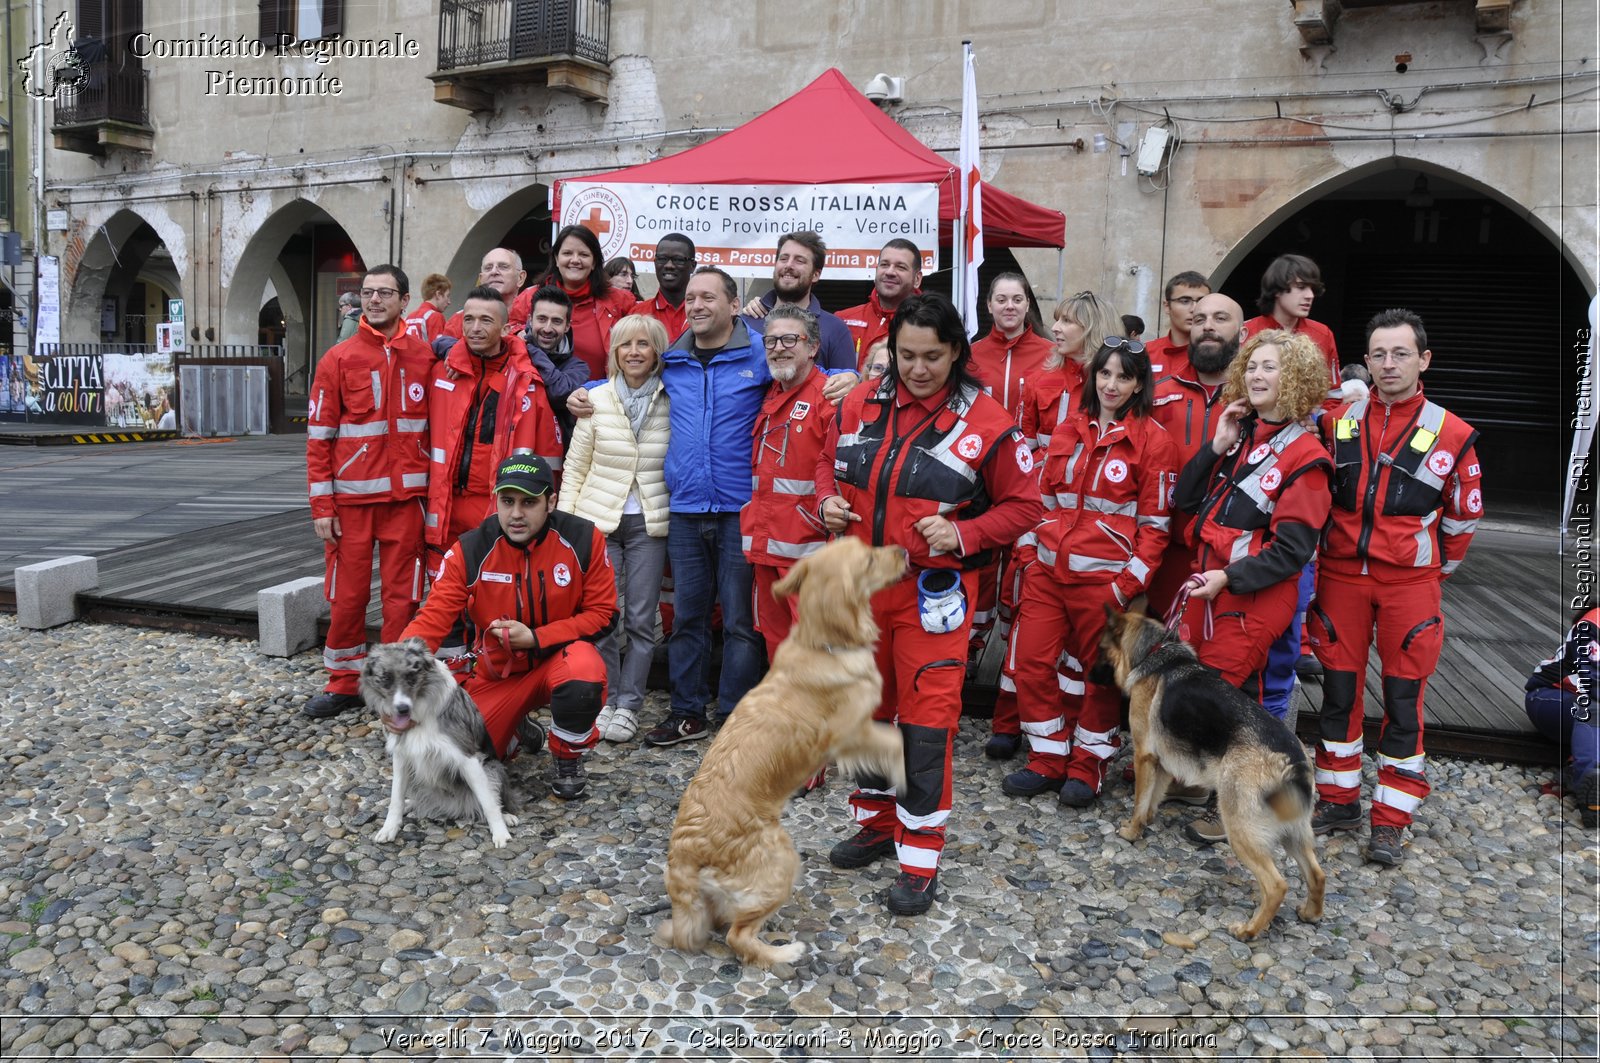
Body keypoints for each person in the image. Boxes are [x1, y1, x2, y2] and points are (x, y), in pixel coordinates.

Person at [816, 292, 1042, 916]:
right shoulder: (860, 401)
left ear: (957, 353)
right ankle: (875, 823)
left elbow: (1026, 506)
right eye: (905, 355)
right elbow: (826, 469)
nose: (917, 368)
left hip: (930, 597)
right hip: (862, 590)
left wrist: (967, 534)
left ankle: (920, 859)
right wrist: (826, 507)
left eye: (932, 357)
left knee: (925, 723)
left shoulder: (990, 423)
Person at [567, 268, 859, 748]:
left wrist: (844, 375)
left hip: (739, 509)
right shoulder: (673, 359)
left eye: (708, 297)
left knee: (742, 621)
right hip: (684, 508)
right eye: (691, 298)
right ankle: (687, 712)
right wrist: (584, 392)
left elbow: (804, 376)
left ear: (732, 303)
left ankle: (733, 715)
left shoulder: (759, 354)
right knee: (688, 618)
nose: (697, 304)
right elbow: (629, 376)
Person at [1309, 307, 1483, 867]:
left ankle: (1391, 819)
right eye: (1379, 354)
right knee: (1338, 695)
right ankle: (1337, 800)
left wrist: (1430, 568)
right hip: (1340, 578)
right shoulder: (1336, 421)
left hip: (1411, 584)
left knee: (1404, 704)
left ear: (1423, 359)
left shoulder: (1451, 432)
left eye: (1400, 353)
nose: (1388, 364)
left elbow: (1462, 519)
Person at [1000, 336, 1177, 808]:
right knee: (1032, 666)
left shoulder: (1154, 442)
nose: (1111, 384)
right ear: (1092, 376)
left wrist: (1124, 587)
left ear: (1139, 384)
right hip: (1045, 574)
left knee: (1099, 679)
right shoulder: (1067, 429)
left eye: (1123, 376)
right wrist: (1027, 554)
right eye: (1104, 373)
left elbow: (1155, 529)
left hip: (1104, 586)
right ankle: (1047, 757)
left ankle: (1087, 765)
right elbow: (1038, 499)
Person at [1171, 331, 1333, 844]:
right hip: (1219, 592)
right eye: (1254, 366)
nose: (1259, 376)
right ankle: (1215, 789)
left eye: (1273, 368)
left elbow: (1292, 552)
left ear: (1298, 380)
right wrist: (1215, 444)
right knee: (1218, 700)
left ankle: (1254, 812)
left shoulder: (1305, 457)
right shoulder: (1241, 437)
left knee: (1248, 706)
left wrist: (1228, 578)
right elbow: (1184, 498)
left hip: (1252, 596)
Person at [401, 457, 616, 799]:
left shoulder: (584, 538)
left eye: (529, 502)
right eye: (507, 501)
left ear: (551, 502)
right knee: (449, 773)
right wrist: (399, 680)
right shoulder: (470, 549)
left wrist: (535, 638)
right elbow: (432, 619)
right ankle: (517, 730)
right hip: (497, 674)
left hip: (561, 661)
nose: (516, 514)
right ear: (496, 499)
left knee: (585, 672)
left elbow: (604, 614)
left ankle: (568, 756)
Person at [987, 289, 1117, 761]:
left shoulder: (1110, 385)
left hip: (1084, 535)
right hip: (1037, 515)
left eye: (1066, 323)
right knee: (1022, 626)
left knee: (1077, 646)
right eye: (1056, 320)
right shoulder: (1040, 382)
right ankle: (1008, 720)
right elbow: (1024, 455)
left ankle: (1073, 732)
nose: (1055, 329)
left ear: (1092, 329)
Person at [304, 265, 434, 718]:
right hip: (351, 505)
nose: (374, 299)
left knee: (404, 599)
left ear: (404, 299)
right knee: (347, 596)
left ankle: (396, 685)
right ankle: (342, 682)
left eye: (384, 293)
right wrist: (322, 504)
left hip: (407, 502)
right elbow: (318, 438)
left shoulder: (424, 357)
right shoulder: (337, 358)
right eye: (367, 292)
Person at [557, 315, 672, 745]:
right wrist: (566, 522)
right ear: (614, 353)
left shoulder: (670, 399)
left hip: (649, 521)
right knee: (607, 614)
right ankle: (605, 698)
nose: (635, 352)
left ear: (657, 351)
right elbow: (575, 466)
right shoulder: (596, 399)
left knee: (642, 618)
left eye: (644, 344)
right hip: (597, 520)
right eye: (626, 345)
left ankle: (629, 704)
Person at [423, 285, 565, 591]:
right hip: (443, 504)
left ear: (504, 327)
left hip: (497, 505)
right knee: (445, 594)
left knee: (493, 593)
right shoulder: (439, 373)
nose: (475, 328)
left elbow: (549, 458)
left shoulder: (527, 383)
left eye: (485, 320)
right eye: (469, 319)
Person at [967, 273, 1055, 673]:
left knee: (1020, 566)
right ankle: (970, 647)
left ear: (1027, 305)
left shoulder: (1050, 354)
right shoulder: (971, 354)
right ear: (989, 305)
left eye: (1017, 299)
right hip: (979, 472)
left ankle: (1012, 657)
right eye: (1001, 299)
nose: (1009, 306)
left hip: (1029, 475)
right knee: (982, 564)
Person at [743, 305, 835, 661]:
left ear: (812, 346)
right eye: (771, 340)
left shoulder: (829, 399)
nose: (778, 347)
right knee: (776, 643)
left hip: (810, 554)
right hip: (768, 550)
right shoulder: (769, 393)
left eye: (789, 339)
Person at [1146, 293, 1245, 620]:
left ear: (1242, 334)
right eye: (1199, 320)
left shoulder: (1257, 400)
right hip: (1164, 551)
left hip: (1230, 559)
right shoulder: (1156, 394)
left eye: (1220, 318)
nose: (1208, 327)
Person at [521, 225, 637, 381]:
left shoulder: (621, 302)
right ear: (556, 258)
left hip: (600, 400)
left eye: (583, 254)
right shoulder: (529, 297)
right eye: (567, 253)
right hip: (542, 401)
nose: (575, 260)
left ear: (594, 261)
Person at [1525, 602, 1600, 828]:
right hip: (1551, 699)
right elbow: (1593, 683)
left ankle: (1574, 768)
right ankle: (1590, 792)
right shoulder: (1593, 624)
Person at [738, 230, 857, 370]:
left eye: (799, 260)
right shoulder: (746, 322)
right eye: (783, 258)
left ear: (815, 275)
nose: (788, 265)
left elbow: (845, 385)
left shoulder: (835, 329)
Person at [1244, 253, 1339, 396]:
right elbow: (1232, 389)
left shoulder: (1323, 333)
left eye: (1312, 289)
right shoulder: (1246, 331)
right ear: (1277, 290)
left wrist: (1323, 418)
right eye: (1301, 287)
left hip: (1310, 417)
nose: (1310, 295)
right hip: (1253, 416)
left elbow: (1335, 394)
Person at [520, 285, 591, 443]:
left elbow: (559, 393)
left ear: (567, 326)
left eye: (556, 321)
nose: (547, 328)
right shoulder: (511, 351)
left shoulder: (578, 368)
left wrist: (529, 348)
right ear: (530, 320)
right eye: (542, 319)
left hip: (554, 460)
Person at [837, 240, 922, 369]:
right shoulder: (842, 320)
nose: (890, 272)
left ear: (917, 279)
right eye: (884, 264)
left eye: (901, 267)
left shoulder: (934, 323)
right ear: (876, 270)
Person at [441, 248, 529, 349]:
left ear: (520, 278)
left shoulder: (537, 319)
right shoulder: (459, 319)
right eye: (488, 268)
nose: (494, 272)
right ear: (481, 279)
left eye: (503, 267)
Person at [1145, 270, 1209, 381]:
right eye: (1185, 301)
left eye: (1201, 301)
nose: (1194, 309)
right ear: (1166, 306)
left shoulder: (1219, 354)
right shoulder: (1145, 353)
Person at [631, 234, 696, 342]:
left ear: (693, 266)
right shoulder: (638, 314)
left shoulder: (704, 312)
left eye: (678, 259)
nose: (669, 265)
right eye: (662, 258)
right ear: (655, 262)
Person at [405, 273, 452, 344]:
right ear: (438, 294)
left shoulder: (408, 318)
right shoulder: (435, 317)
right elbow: (438, 350)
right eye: (447, 296)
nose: (449, 302)